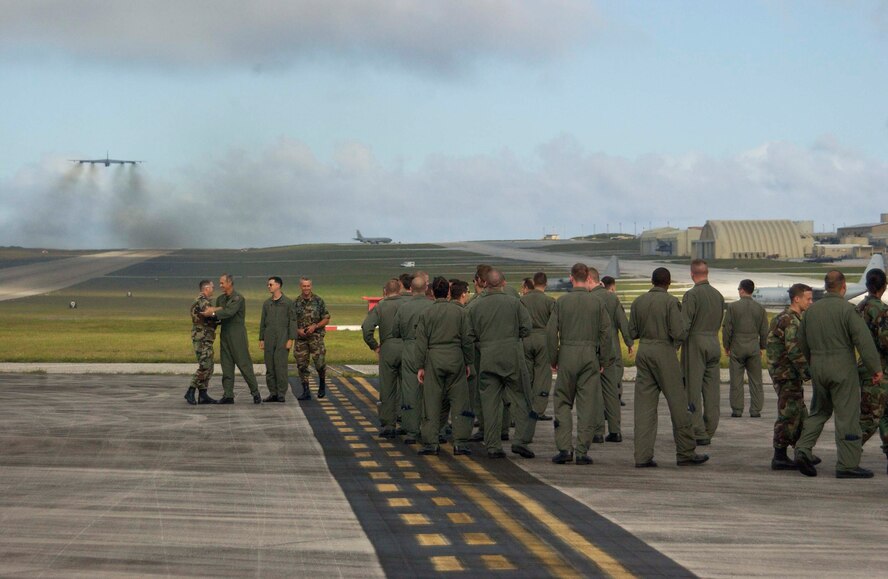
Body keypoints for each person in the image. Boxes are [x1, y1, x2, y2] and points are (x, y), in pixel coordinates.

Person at [795, 270, 882, 478]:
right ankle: (847, 464)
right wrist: (875, 368)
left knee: (819, 411)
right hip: (842, 369)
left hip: (818, 367)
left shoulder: (811, 312)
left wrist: (813, 361)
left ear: (826, 286)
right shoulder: (847, 310)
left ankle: (803, 449)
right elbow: (863, 341)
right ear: (843, 286)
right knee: (847, 416)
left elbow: (802, 341)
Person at [630, 267, 707, 467]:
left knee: (644, 407)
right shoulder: (671, 302)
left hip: (644, 350)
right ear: (668, 283)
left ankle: (642, 456)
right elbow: (679, 332)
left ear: (652, 281)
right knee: (678, 403)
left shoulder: (638, 302)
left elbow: (632, 331)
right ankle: (685, 452)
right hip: (664, 351)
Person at [547, 264, 613, 464]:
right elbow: (606, 334)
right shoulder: (597, 303)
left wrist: (553, 358)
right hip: (589, 355)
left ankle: (565, 448)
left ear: (571, 278)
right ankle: (583, 450)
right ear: (588, 278)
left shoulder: (562, 302)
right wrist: (603, 360)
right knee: (587, 405)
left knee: (562, 401)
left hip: (567, 354)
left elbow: (551, 333)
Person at [466, 268, 536, 459]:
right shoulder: (514, 303)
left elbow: (468, 335)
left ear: (485, 284)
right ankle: (521, 440)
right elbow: (527, 328)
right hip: (512, 354)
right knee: (522, 398)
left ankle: (493, 445)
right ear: (503, 283)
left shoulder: (474, 306)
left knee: (489, 402)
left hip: (487, 355)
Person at [415, 277, 475, 455]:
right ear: (448, 292)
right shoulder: (460, 312)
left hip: (434, 358)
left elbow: (421, 342)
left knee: (432, 401)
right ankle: (460, 442)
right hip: (456, 357)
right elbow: (467, 340)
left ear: (432, 292)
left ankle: (431, 442)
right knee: (459, 400)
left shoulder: (427, 313)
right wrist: (468, 361)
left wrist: (420, 366)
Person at [766, 283, 814, 470]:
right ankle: (779, 455)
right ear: (797, 299)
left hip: (784, 372)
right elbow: (794, 351)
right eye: (808, 298)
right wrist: (808, 373)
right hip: (787, 374)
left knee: (800, 412)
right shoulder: (791, 321)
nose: (811, 302)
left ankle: (802, 451)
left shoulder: (784, 317)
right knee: (789, 414)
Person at [681, 258, 725, 445]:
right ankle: (710, 428)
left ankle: (698, 431)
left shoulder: (691, 295)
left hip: (695, 343)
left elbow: (684, 324)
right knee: (712, 390)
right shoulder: (718, 295)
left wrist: (675, 343)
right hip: (714, 342)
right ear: (707, 274)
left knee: (692, 389)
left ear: (692, 275)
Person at [201, 273, 261, 404]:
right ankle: (228, 395)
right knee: (226, 365)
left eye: (222, 283)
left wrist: (212, 312)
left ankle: (255, 393)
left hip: (237, 334)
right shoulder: (221, 299)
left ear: (230, 283)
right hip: (225, 333)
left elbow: (228, 312)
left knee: (244, 364)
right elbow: (219, 316)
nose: (220, 285)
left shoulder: (238, 298)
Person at [392, 275, 434, 444]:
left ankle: (411, 430)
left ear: (410, 289)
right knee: (431, 392)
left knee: (409, 391)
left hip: (409, 348)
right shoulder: (432, 306)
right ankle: (431, 429)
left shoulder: (403, 308)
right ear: (426, 288)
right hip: (430, 349)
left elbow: (395, 332)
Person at [591, 273, 632, 442]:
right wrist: (629, 342)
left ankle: (598, 431)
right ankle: (615, 431)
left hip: (594, 350)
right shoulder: (612, 298)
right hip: (613, 349)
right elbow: (623, 321)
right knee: (612, 391)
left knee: (595, 392)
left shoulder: (589, 299)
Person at [362, 279, 405, 438]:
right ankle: (408, 422)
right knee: (408, 387)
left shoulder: (381, 306)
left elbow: (366, 328)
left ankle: (389, 424)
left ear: (385, 291)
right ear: (400, 290)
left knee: (388, 388)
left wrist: (374, 345)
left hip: (387, 348)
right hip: (407, 347)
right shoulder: (407, 303)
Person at [855, 269, 888, 473]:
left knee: (881, 414)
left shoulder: (859, 308)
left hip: (865, 366)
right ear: (883, 287)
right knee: (871, 417)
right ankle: (849, 452)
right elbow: (885, 342)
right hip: (879, 369)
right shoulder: (881, 310)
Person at [722, 279, 768, 418]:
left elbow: (727, 329)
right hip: (753, 346)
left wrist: (727, 346)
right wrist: (762, 346)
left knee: (736, 380)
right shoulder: (760, 308)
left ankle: (737, 409)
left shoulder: (733, 307)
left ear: (742, 290)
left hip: (737, 346)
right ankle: (755, 410)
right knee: (756, 381)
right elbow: (764, 331)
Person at [522, 272, 556, 422]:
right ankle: (539, 410)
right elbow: (555, 325)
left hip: (526, 338)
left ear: (533, 283)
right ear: (546, 284)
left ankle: (525, 408)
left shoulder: (523, 301)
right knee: (542, 376)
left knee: (526, 375)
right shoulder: (550, 301)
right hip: (543, 339)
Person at [258, 276, 295, 403]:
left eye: (271, 284)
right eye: (268, 285)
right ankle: (272, 393)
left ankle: (281, 393)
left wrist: (291, 339)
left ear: (278, 285)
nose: (269, 286)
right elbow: (263, 322)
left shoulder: (288, 303)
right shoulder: (267, 304)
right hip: (269, 338)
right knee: (270, 367)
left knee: (280, 367)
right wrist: (261, 338)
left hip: (282, 338)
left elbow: (292, 322)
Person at [293, 277, 330, 400]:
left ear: (311, 286)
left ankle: (322, 385)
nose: (306, 288)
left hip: (316, 337)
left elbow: (326, 318)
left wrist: (315, 326)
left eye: (308, 286)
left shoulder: (318, 301)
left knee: (319, 363)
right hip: (301, 338)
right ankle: (306, 390)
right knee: (301, 365)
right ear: (300, 287)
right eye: (304, 286)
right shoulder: (296, 302)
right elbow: (291, 320)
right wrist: (297, 330)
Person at [186, 279, 219, 405]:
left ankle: (203, 394)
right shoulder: (202, 301)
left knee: (209, 366)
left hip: (206, 337)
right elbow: (212, 314)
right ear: (206, 288)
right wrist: (224, 311)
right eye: (212, 287)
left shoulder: (205, 301)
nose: (213, 289)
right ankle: (191, 390)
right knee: (205, 365)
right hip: (202, 338)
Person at [602, 276, 632, 409]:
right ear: (613, 287)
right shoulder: (614, 300)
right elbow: (622, 322)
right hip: (612, 337)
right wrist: (629, 342)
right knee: (616, 367)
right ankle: (615, 395)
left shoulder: (592, 297)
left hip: (595, 339)